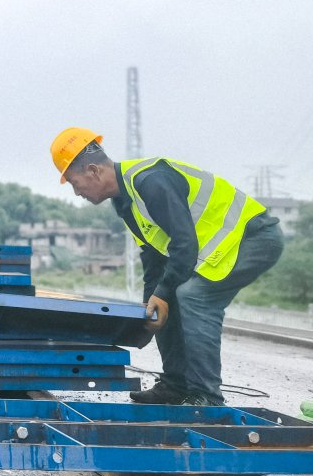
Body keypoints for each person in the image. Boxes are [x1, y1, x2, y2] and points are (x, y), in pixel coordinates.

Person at [50, 127, 283, 407]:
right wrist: (149, 306)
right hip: (224, 246)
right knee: (161, 301)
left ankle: (206, 396)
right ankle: (176, 386)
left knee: (193, 296)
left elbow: (184, 245)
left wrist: (163, 293)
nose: (77, 193)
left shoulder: (150, 181)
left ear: (93, 171)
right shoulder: (125, 202)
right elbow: (154, 259)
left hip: (254, 237)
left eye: (75, 183)